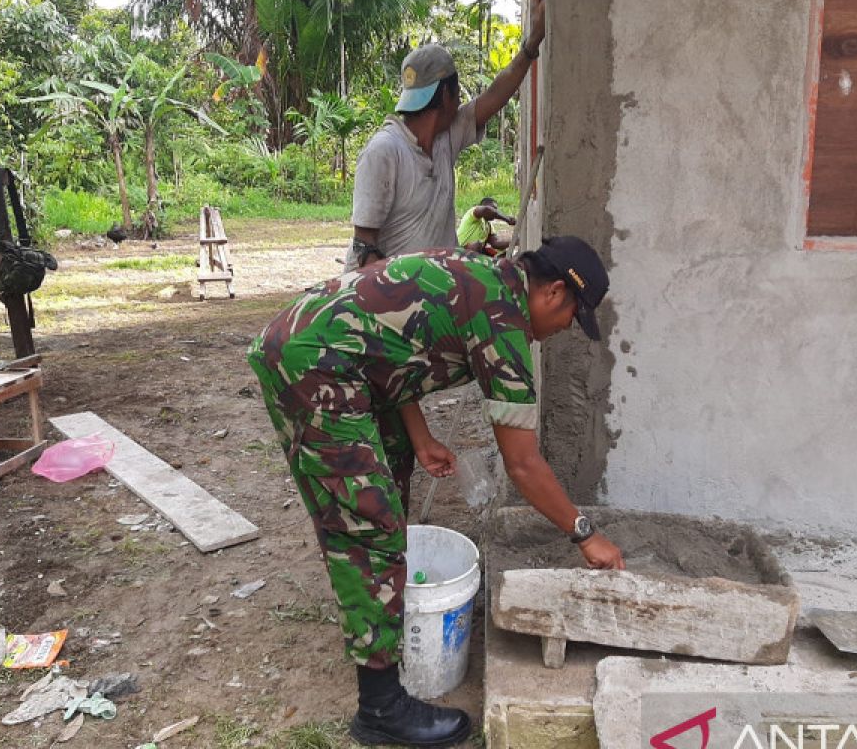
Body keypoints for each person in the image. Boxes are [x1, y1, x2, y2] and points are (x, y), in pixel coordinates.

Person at [249, 235, 625, 748]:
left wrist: (421, 437)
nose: (560, 333)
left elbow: (388, 345)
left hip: (325, 351)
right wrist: (585, 534)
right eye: (570, 320)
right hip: (312, 366)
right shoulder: (503, 324)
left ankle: (380, 611)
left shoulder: (483, 275)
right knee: (369, 523)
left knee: (394, 469)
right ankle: (379, 709)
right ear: (555, 292)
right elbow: (523, 463)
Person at [345, 0, 547, 271]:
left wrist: (532, 42)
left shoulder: (445, 137)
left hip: (428, 295)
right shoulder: (385, 152)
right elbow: (365, 248)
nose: (464, 101)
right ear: (445, 95)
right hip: (388, 301)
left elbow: (494, 95)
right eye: (459, 92)